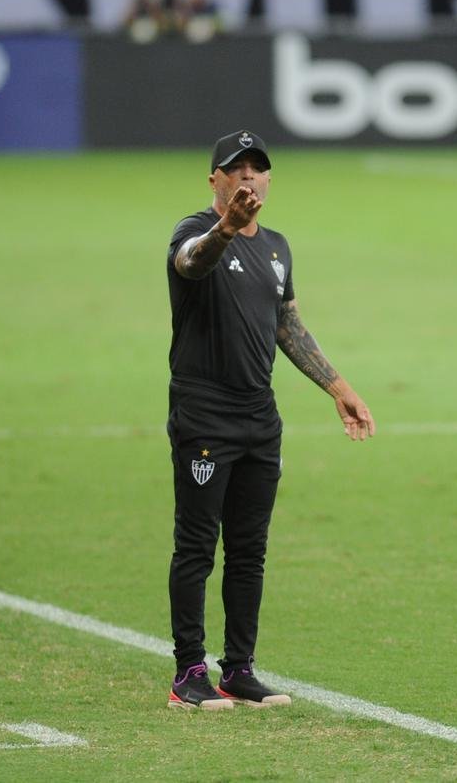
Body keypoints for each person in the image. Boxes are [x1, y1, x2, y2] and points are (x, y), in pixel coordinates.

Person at [165, 130, 375, 710]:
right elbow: (190, 265)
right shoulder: (194, 233)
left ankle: (238, 669)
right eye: (237, 169)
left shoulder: (278, 247)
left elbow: (286, 324)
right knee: (197, 546)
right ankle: (189, 673)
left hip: (260, 417)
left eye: (259, 170)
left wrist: (338, 387)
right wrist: (225, 229)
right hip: (205, 414)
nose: (249, 178)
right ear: (216, 180)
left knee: (250, 549)